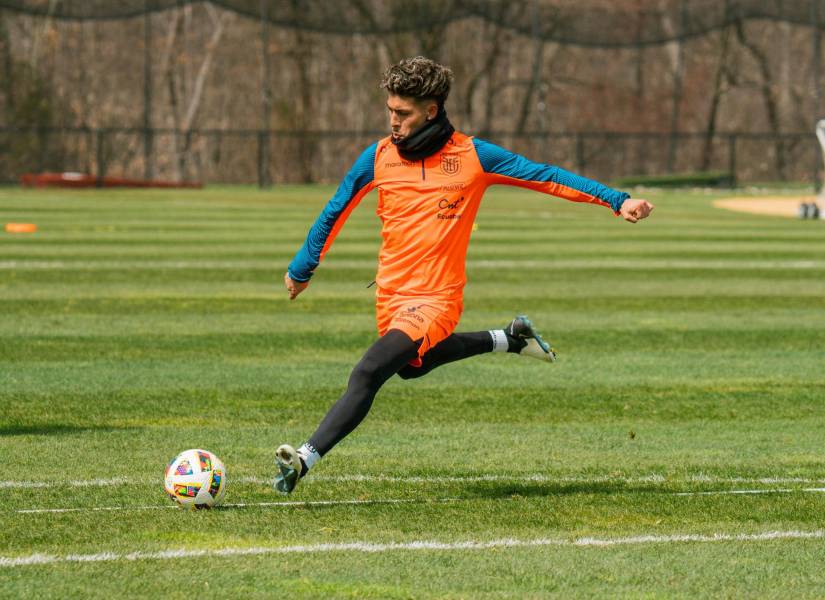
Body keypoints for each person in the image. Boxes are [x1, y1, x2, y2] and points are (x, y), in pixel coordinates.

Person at [274, 56, 654, 494]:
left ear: (431, 110)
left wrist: (616, 200)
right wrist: (303, 266)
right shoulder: (377, 157)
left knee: (369, 371)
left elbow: (546, 176)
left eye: (403, 113)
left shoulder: (473, 157)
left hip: (437, 298)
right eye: (390, 112)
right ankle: (509, 338)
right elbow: (335, 209)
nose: (393, 122)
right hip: (392, 296)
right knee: (411, 368)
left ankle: (303, 459)